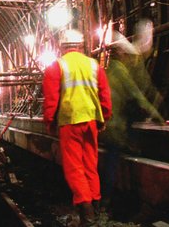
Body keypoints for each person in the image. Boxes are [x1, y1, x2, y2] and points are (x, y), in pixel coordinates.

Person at [43, 28, 113, 226]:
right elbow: (105, 95)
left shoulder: (56, 67)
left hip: (70, 122)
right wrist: (104, 117)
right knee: (90, 164)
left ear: (61, 46)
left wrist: (49, 121)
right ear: (81, 46)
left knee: (74, 168)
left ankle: (86, 213)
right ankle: (96, 206)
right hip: (91, 121)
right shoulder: (94, 65)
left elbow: (51, 99)